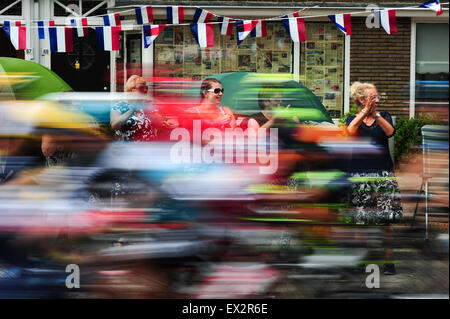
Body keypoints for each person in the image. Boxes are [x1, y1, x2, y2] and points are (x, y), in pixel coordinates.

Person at [345, 81, 403, 275]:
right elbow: (349, 132)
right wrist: (364, 113)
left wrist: (375, 113)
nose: (377, 99)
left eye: (377, 96)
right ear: (361, 99)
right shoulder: (353, 119)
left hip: (382, 175)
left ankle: (389, 263)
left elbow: (390, 132)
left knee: (386, 221)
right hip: (359, 176)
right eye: (374, 96)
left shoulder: (384, 116)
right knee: (360, 220)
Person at [111, 75, 172, 141]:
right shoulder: (120, 105)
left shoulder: (149, 105)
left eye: (146, 88)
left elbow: (159, 125)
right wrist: (134, 108)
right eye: (141, 88)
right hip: (127, 148)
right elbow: (115, 125)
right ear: (132, 90)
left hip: (148, 148)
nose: (145, 90)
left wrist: (147, 108)